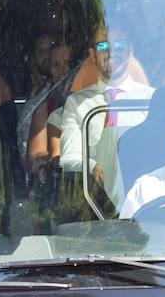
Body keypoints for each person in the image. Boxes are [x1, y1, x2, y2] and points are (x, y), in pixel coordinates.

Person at [49, 25, 154, 201]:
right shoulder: (77, 103)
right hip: (95, 204)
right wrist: (91, 166)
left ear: (130, 50)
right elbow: (68, 159)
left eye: (119, 45)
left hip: (144, 201)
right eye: (104, 47)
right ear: (92, 54)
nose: (112, 52)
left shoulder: (151, 99)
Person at [16, 31, 72, 171]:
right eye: (56, 65)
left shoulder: (95, 100)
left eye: (67, 63)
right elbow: (30, 161)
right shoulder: (41, 108)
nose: (63, 70)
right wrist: (46, 162)